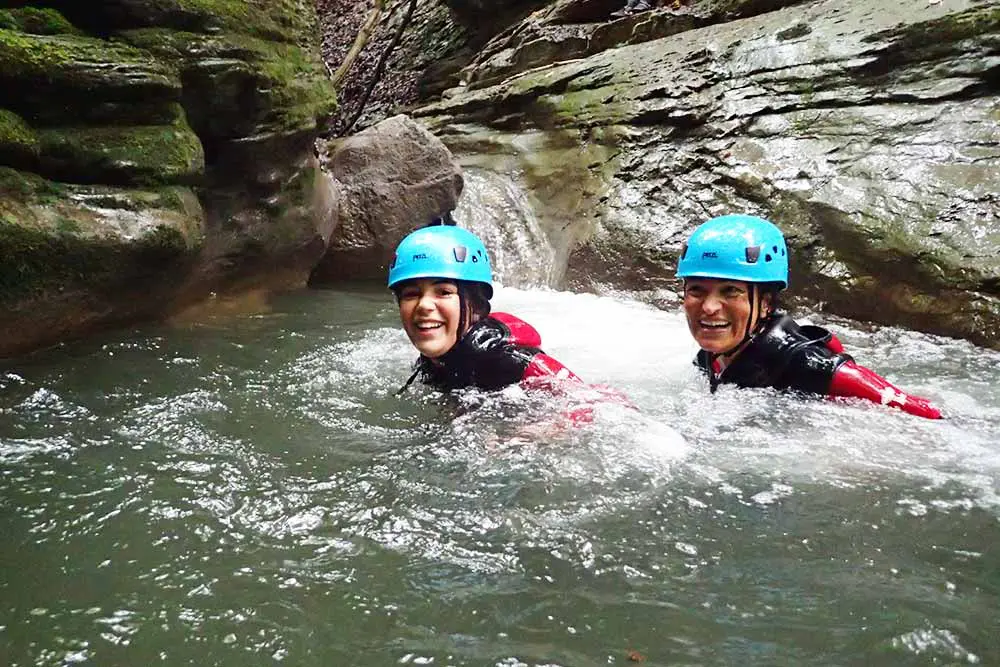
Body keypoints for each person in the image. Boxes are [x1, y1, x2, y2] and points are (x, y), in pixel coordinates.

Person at [676, 214, 943, 419]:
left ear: (766, 304)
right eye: (697, 291)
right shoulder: (713, 356)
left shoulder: (808, 364)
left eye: (730, 292)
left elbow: (927, 415)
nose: (709, 307)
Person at [388, 221, 586, 395]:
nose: (423, 305)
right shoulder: (434, 361)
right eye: (411, 295)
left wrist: (538, 430)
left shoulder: (511, 361)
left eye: (444, 292)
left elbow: (590, 401)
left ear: (477, 305)